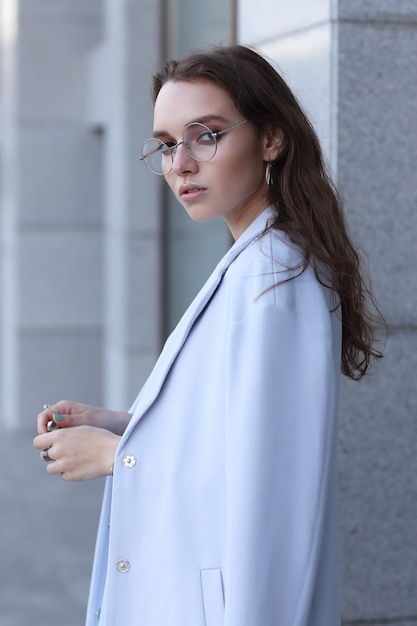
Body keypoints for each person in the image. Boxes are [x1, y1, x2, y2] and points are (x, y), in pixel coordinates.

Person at [34, 44, 383, 626]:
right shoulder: (256, 261)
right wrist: (127, 424)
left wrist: (119, 458)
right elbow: (232, 426)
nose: (181, 164)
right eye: (168, 144)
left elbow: (272, 481)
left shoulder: (275, 277)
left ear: (271, 139)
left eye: (207, 135)